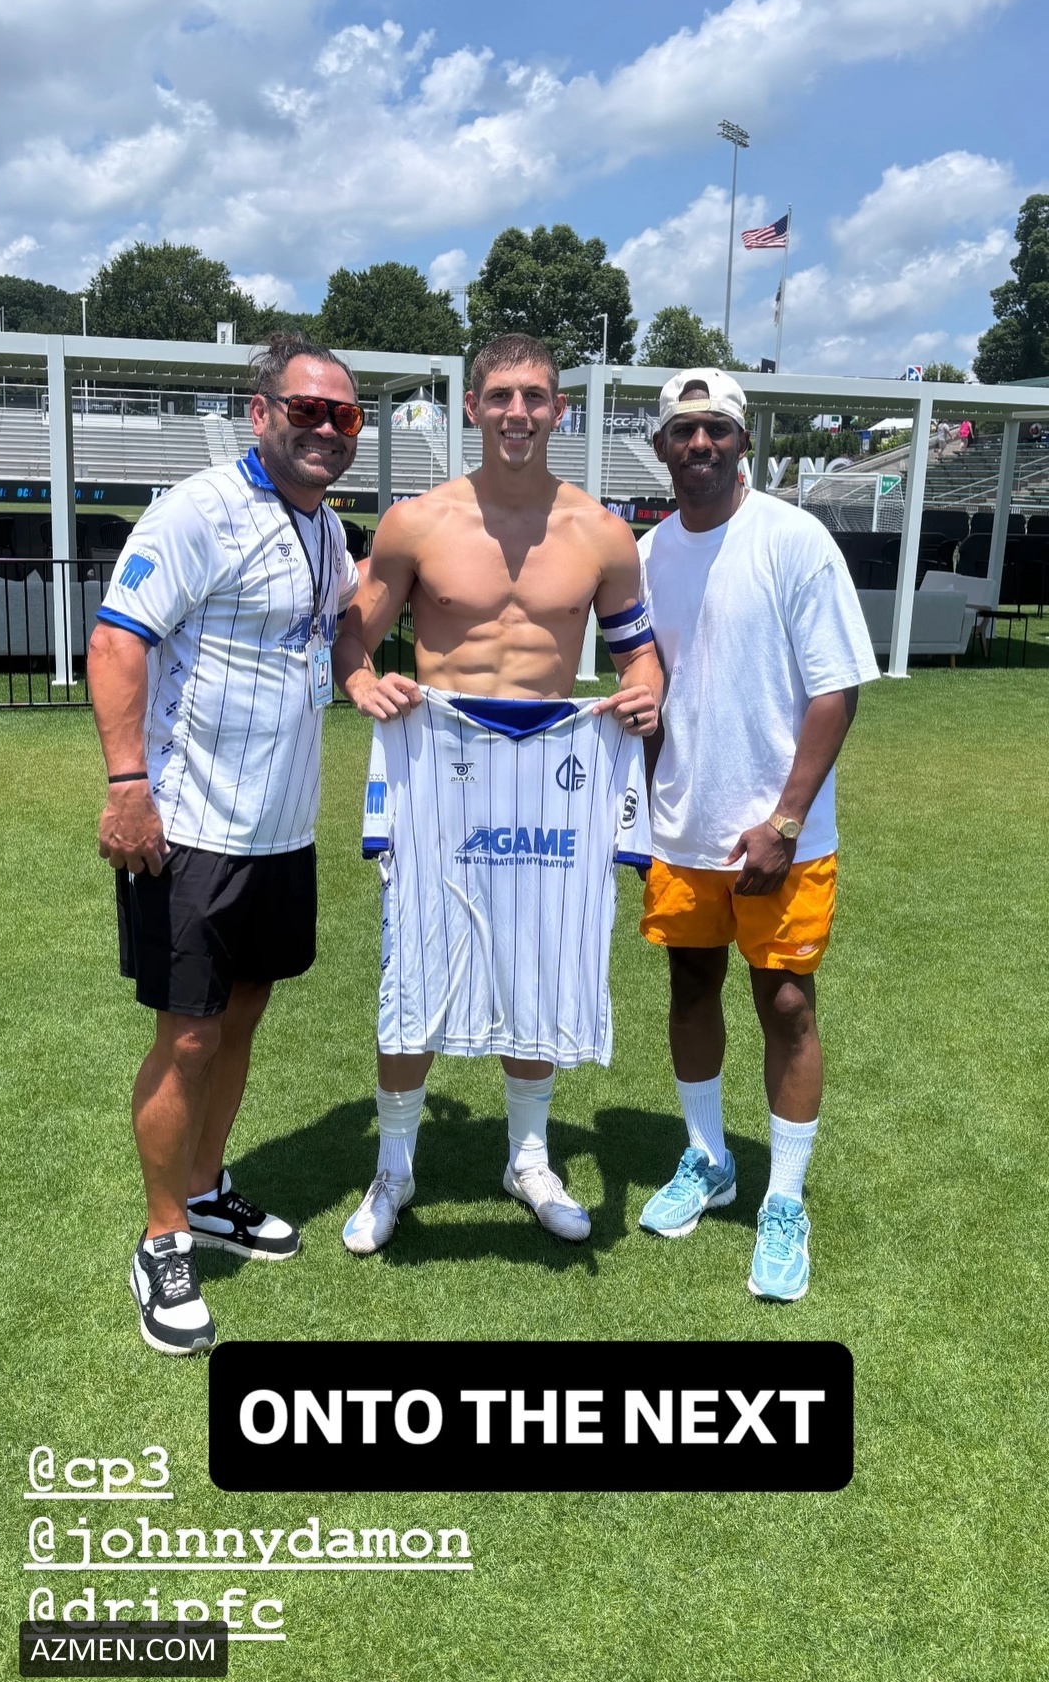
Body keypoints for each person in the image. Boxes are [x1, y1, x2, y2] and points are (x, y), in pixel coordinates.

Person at [332, 333, 663, 1255]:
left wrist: (646, 691)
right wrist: (360, 683)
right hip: (442, 777)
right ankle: (394, 1168)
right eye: (503, 395)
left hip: (548, 782)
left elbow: (637, 652)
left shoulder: (601, 533)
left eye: (536, 396)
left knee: (539, 961)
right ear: (472, 406)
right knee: (415, 964)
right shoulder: (416, 523)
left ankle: (529, 1157)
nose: (520, 412)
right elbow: (353, 635)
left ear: (560, 409)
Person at [87, 333, 362, 1354]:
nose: (325, 428)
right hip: (191, 827)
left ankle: (203, 1188)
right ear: (261, 413)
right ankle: (162, 1237)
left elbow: (341, 624)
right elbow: (116, 639)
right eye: (306, 409)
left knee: (243, 1013)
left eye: (343, 414)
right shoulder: (197, 511)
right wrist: (128, 786)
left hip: (282, 830)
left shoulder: (326, 526)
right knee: (190, 1035)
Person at [636, 368, 879, 1302]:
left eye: (717, 429)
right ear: (661, 446)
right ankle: (709, 1158)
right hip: (682, 826)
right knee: (690, 986)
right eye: (684, 429)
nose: (700, 443)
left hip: (781, 832)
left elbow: (836, 689)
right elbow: (649, 694)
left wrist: (784, 819)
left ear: (743, 442)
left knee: (785, 1004)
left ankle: (783, 1198)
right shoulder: (647, 555)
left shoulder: (793, 537)